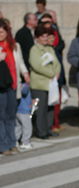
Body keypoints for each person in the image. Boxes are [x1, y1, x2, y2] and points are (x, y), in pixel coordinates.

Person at [0, 19, 29, 155]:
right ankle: (3, 145)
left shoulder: (15, 46)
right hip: (0, 87)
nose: (0, 34)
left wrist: (25, 73)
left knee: (11, 116)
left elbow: (21, 62)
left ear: (7, 32)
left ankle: (12, 143)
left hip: (13, 85)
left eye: (2, 31)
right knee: (1, 116)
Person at [29, 25, 60, 139]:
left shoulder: (50, 49)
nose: (46, 39)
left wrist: (57, 73)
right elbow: (37, 66)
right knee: (40, 109)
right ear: (37, 38)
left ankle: (48, 128)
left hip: (51, 84)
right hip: (39, 84)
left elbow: (57, 63)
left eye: (47, 36)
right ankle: (41, 131)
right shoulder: (34, 50)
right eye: (43, 37)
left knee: (50, 107)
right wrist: (51, 74)